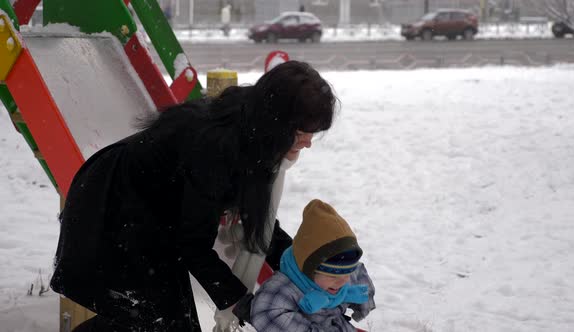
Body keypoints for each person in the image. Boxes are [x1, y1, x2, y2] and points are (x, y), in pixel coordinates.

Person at [49, 60, 337, 332]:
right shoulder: (217, 149)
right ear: (278, 123)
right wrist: (244, 304)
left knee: (155, 320)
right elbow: (194, 246)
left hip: (153, 219)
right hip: (111, 214)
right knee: (156, 319)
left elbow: (258, 223)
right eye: (302, 132)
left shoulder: (255, 133)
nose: (308, 143)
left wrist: (311, 268)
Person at [249, 199, 376, 332]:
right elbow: (266, 312)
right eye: (333, 276)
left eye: (348, 272)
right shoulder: (285, 291)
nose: (343, 280)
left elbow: (359, 274)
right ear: (310, 270)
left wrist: (364, 304)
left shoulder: (341, 277)